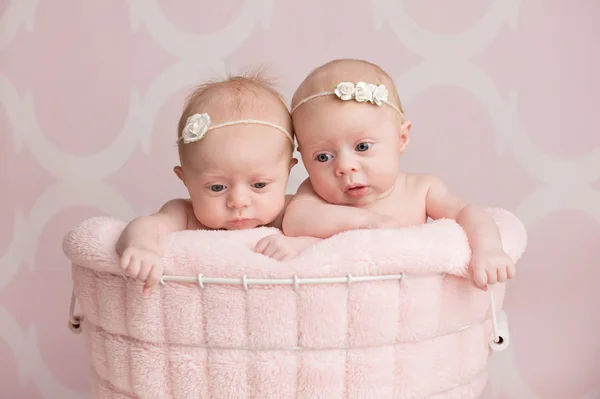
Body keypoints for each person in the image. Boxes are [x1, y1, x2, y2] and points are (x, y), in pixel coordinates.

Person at [281, 59, 515, 290]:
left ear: (401, 139)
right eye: (323, 157)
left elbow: (466, 212)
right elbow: (295, 221)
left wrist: (488, 248)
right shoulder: (314, 195)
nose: (345, 166)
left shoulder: (421, 190)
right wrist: (367, 222)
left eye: (362, 147)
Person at [117, 71, 317, 294]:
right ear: (185, 179)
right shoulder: (185, 214)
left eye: (259, 185)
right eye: (217, 187)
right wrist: (141, 246)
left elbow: (330, 242)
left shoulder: (293, 213)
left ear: (287, 171)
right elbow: (145, 225)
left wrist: (297, 245)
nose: (238, 202)